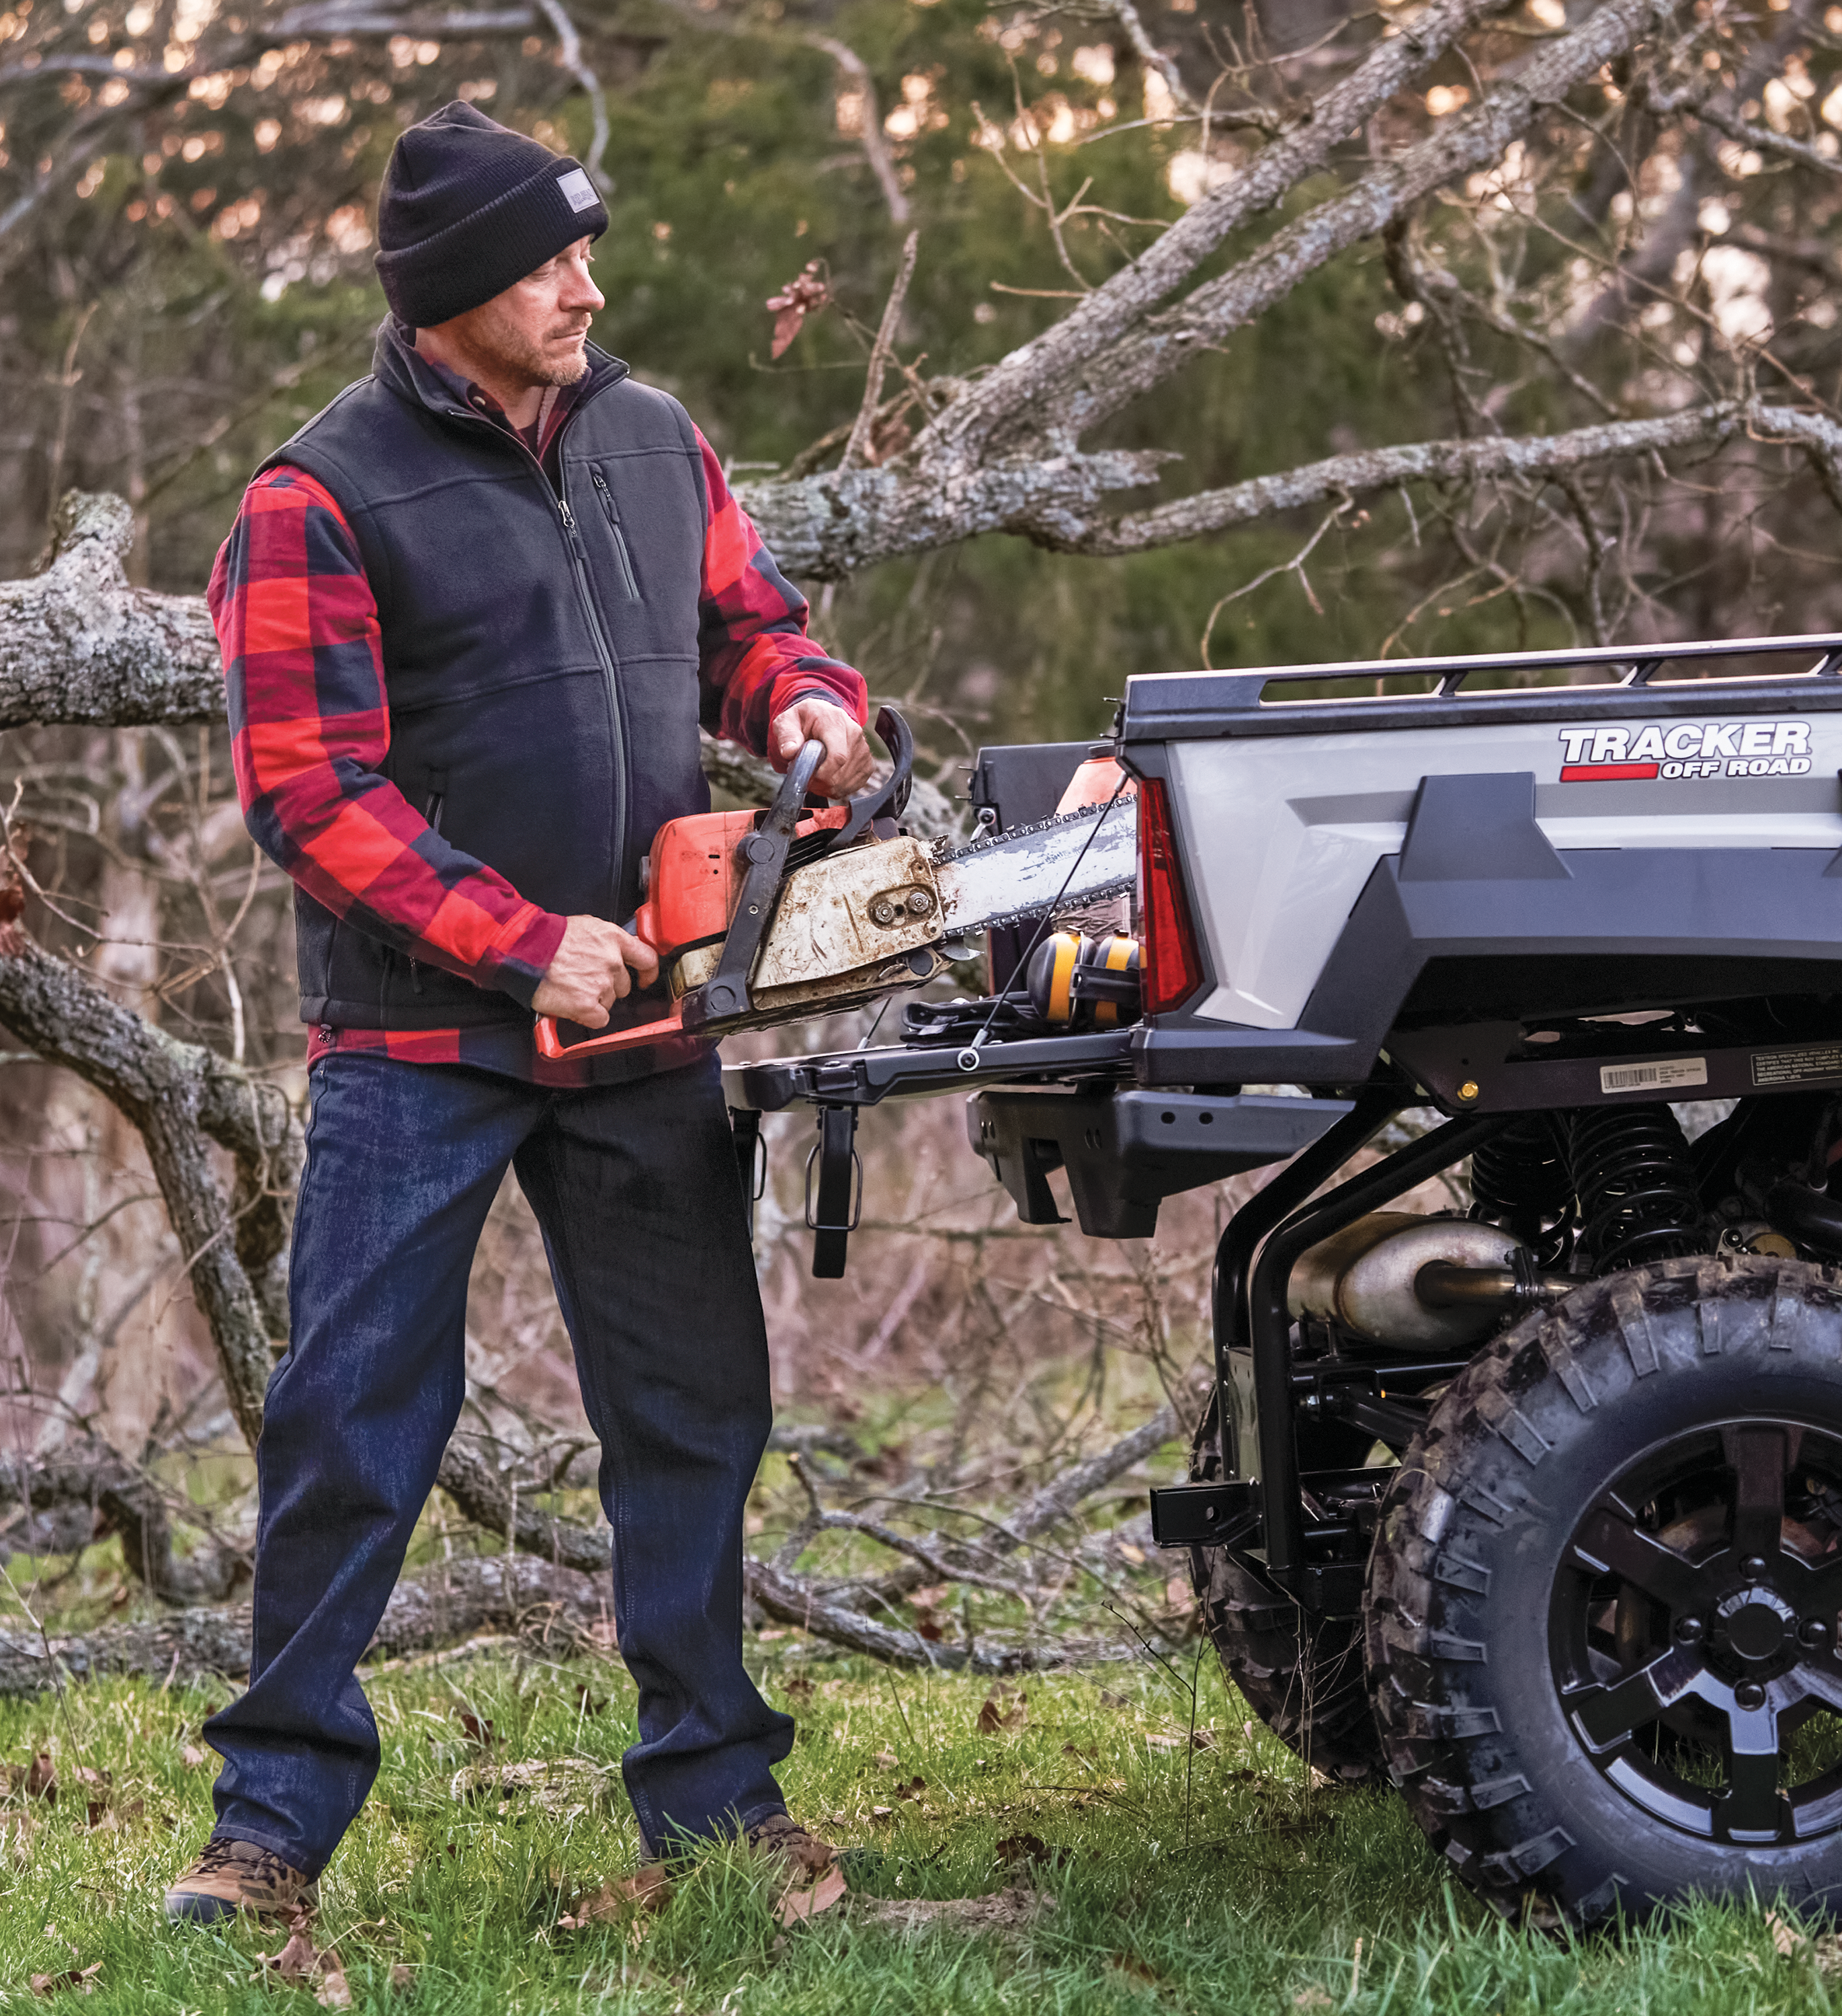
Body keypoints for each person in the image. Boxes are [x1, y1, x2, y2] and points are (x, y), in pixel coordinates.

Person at [163, 100, 871, 1922]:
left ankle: (713, 1806)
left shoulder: (650, 437)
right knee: (351, 1424)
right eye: (549, 260)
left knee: (694, 1414)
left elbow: (750, 628)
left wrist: (803, 703)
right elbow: (306, 792)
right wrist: (513, 937)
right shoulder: (313, 497)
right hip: (416, 1044)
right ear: (453, 291)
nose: (587, 284)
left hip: (649, 1030)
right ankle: (269, 1835)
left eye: (583, 250)